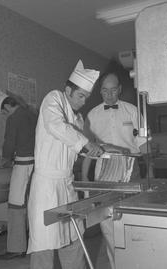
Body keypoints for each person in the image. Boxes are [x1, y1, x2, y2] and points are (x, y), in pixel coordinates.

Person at [27, 60, 104, 269]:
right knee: (44, 243)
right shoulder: (53, 99)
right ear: (68, 90)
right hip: (47, 186)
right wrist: (87, 144)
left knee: (72, 237)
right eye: (81, 96)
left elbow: (78, 146)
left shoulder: (78, 119)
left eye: (87, 97)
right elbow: (56, 126)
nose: (84, 101)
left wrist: (99, 150)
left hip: (66, 184)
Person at [82, 71, 148, 269]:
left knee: (129, 221)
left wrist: (149, 173)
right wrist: (85, 179)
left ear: (119, 89)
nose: (109, 95)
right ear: (99, 90)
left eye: (113, 90)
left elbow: (143, 144)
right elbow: (87, 147)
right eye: (105, 90)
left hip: (130, 168)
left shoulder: (133, 111)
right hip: (103, 170)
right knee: (107, 223)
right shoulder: (92, 115)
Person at [0, 92, 38, 260]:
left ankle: (16, 248)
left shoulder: (14, 118)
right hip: (36, 164)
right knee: (32, 205)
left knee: (16, 206)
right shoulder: (32, 114)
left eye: (4, 113)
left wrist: (3, 159)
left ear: (7, 106)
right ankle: (34, 243)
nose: (5, 116)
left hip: (24, 165)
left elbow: (9, 142)